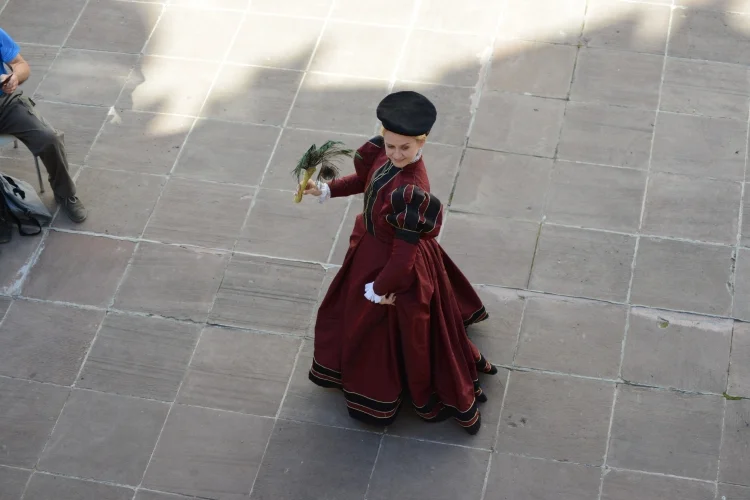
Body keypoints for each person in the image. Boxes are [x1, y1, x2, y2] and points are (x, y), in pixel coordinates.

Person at [303, 91, 497, 435]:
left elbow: (403, 260)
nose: (395, 154)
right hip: (371, 250)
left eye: (404, 148)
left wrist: (378, 291)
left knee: (381, 331)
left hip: (393, 266)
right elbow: (365, 183)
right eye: (391, 145)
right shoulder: (382, 154)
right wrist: (327, 190)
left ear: (421, 143)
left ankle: (388, 388)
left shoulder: (411, 189)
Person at [0, 27, 87, 236]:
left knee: (49, 139)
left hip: (5, 103)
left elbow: (21, 65)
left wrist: (13, 78)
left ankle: (65, 194)